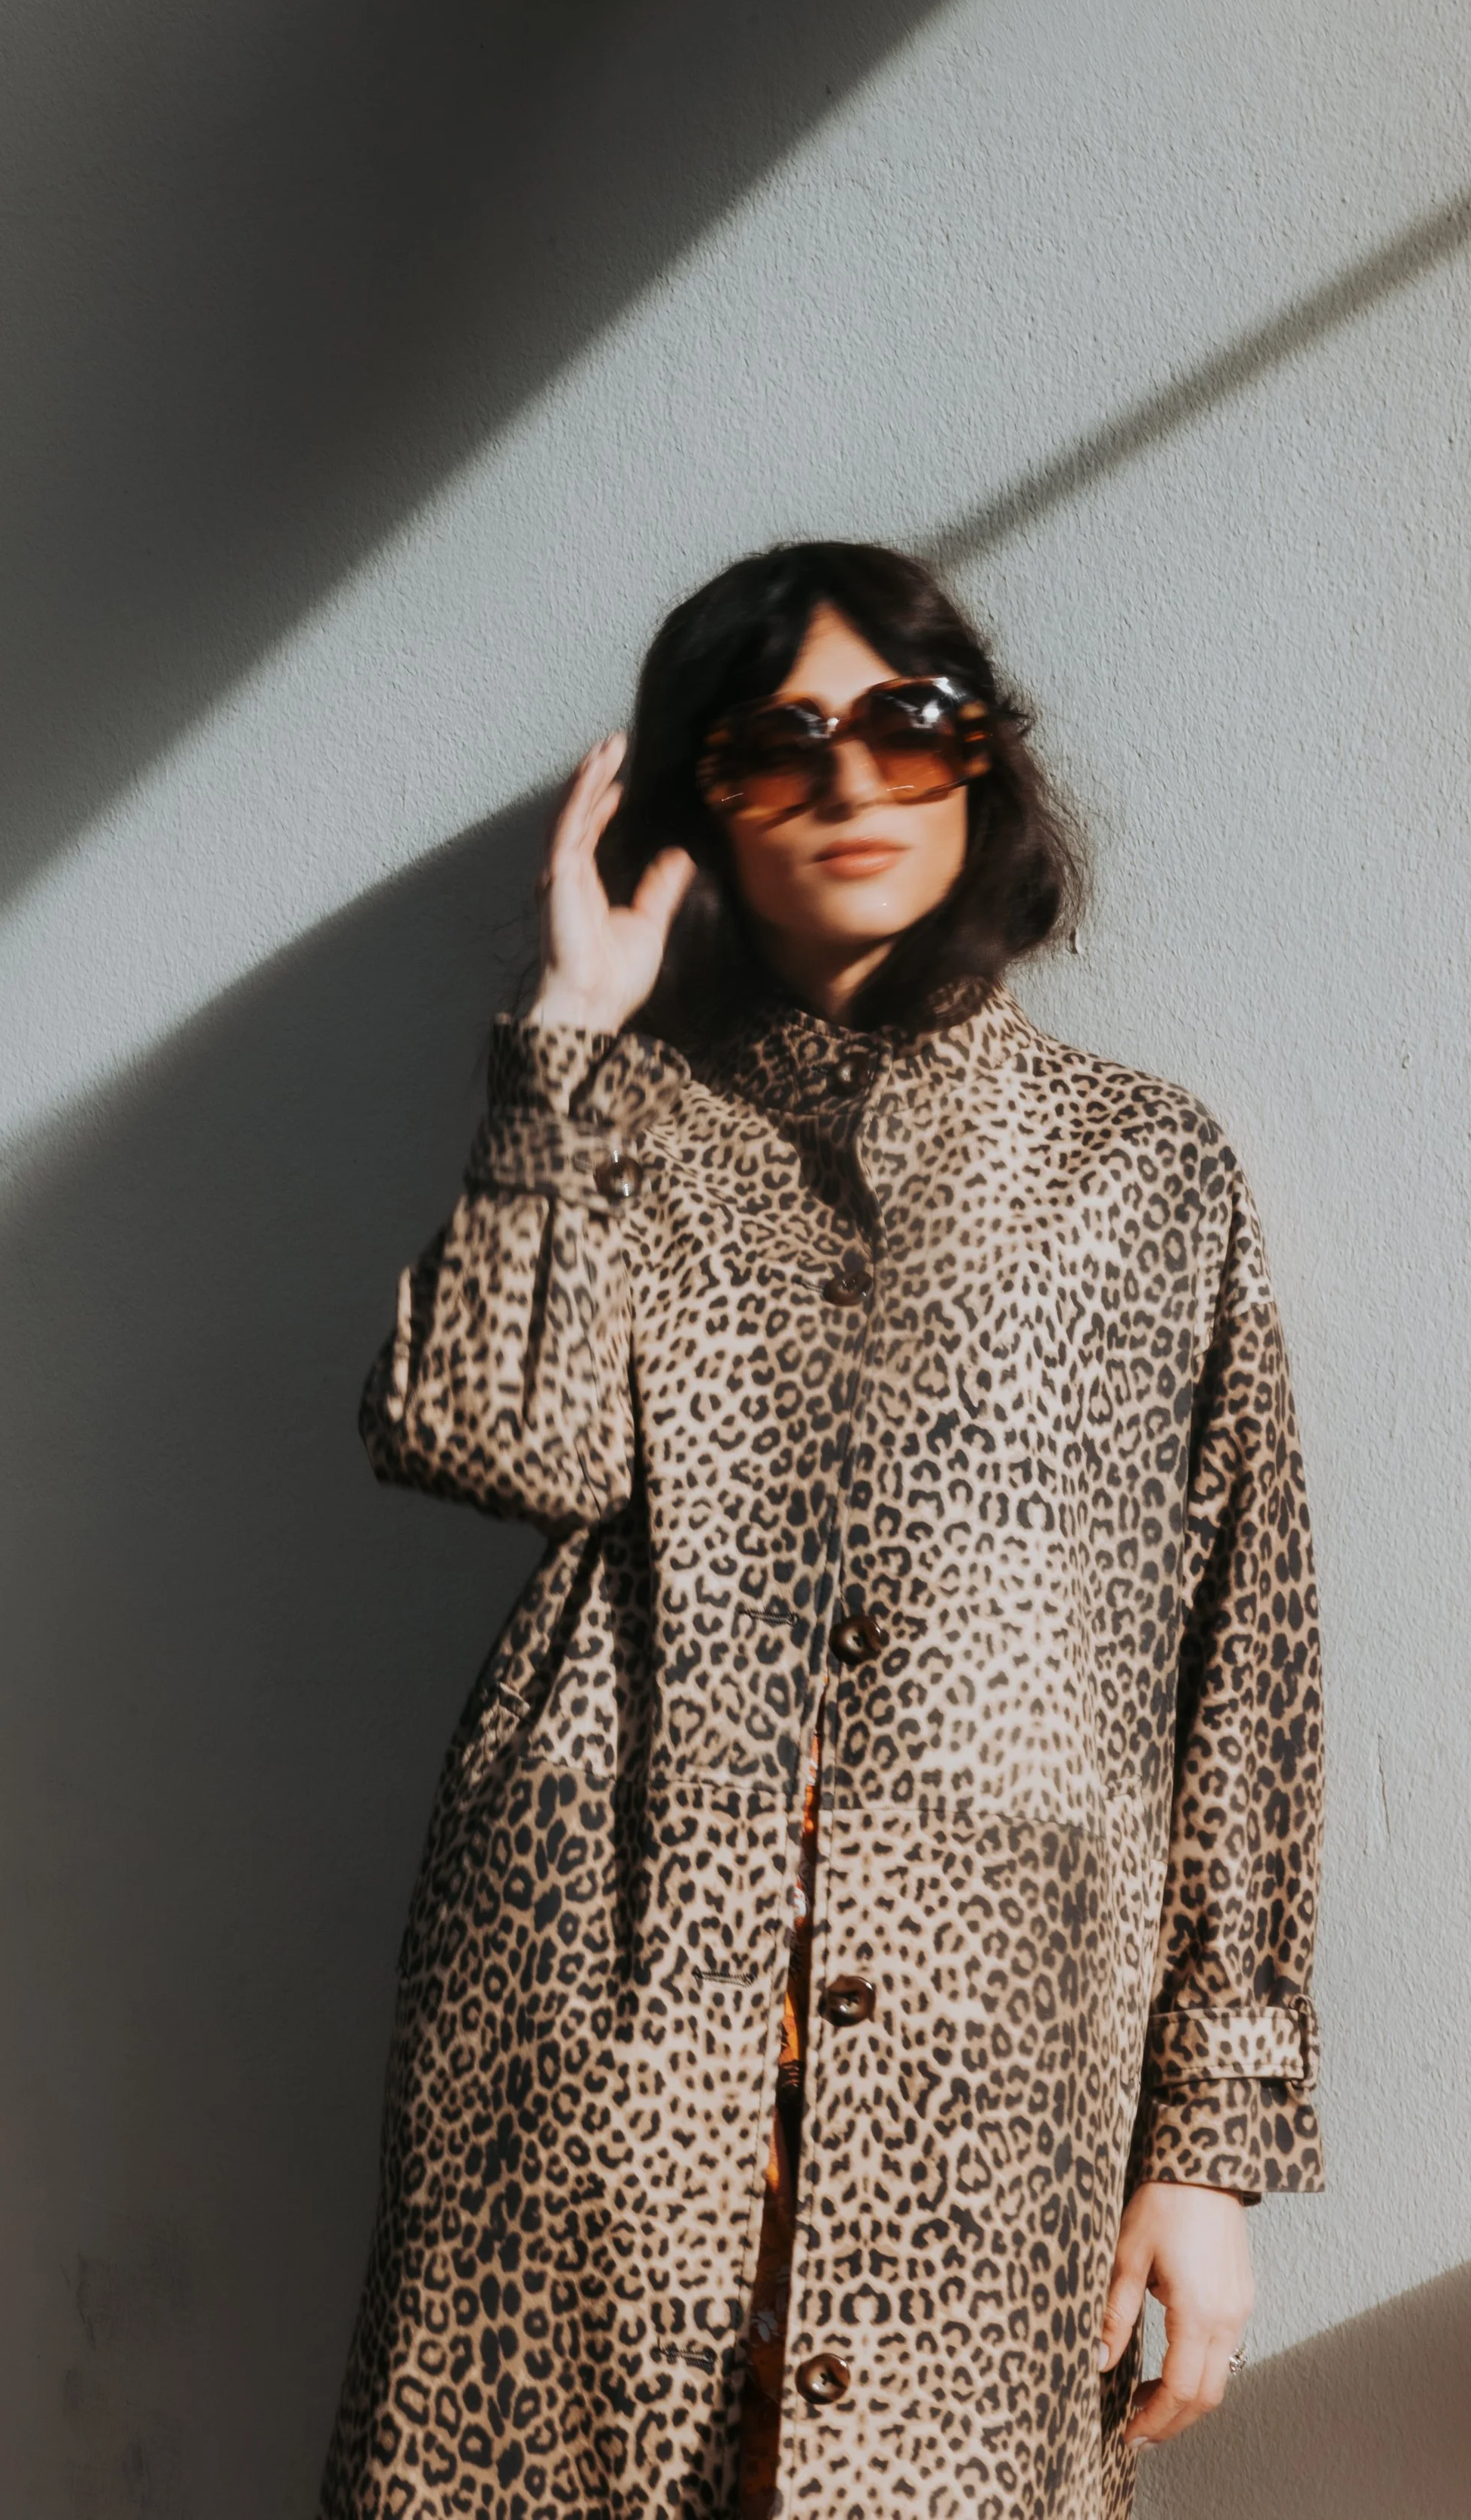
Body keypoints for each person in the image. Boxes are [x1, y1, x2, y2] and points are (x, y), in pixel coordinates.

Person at [317, 542, 1324, 2520]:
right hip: (600, 2050)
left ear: (979, 765)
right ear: (704, 811)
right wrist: (567, 1047)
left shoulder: (1142, 1169)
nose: (850, 785)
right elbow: (467, 1430)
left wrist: (1206, 2148)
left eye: (902, 724)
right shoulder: (635, 1122)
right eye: (772, 748)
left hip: (993, 2086)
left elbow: (1249, 1668)